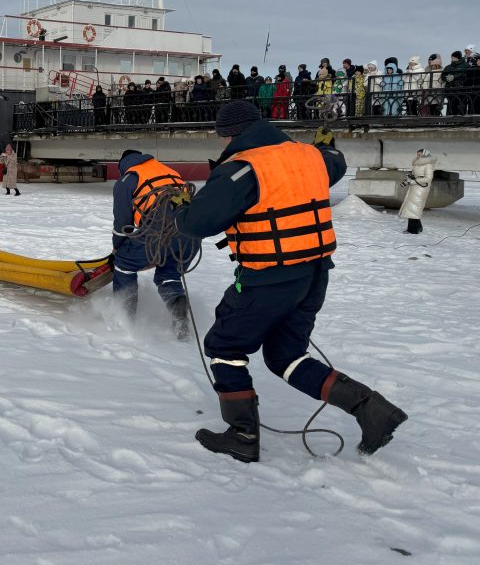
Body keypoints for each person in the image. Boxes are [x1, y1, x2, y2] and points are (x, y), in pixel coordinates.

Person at [174, 100, 407, 462]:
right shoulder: (311, 156)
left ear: (231, 135)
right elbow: (337, 162)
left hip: (268, 278)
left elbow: (196, 224)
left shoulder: (242, 168)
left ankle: (242, 435)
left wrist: (180, 206)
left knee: (223, 347)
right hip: (314, 276)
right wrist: (326, 144)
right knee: (286, 356)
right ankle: (371, 409)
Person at [112, 149, 195, 337]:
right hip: (189, 232)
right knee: (170, 274)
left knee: (124, 264)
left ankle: (123, 321)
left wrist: (118, 247)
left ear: (123, 165)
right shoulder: (169, 171)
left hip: (159, 229)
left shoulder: (128, 179)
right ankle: (180, 317)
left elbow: (123, 223)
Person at [399, 148, 435, 235]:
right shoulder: (417, 164)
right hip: (415, 187)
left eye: (420, 154)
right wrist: (409, 179)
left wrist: (413, 181)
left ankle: (413, 230)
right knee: (412, 208)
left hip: (421, 188)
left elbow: (428, 178)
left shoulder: (428, 165)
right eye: (417, 154)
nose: (418, 156)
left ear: (425, 155)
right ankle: (418, 226)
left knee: (414, 208)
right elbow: (415, 175)